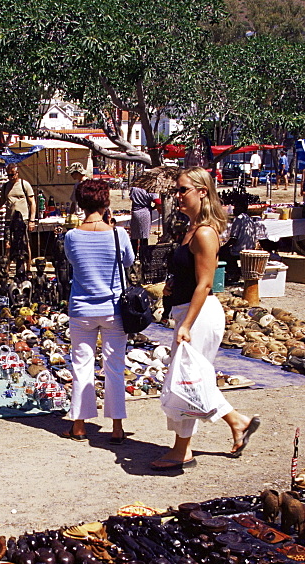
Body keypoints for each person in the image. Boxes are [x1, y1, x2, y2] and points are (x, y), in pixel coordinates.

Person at [151, 167, 260, 470]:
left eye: (182, 190)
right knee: (190, 379)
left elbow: (206, 283)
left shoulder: (204, 232)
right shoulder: (192, 228)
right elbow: (191, 276)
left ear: (201, 191)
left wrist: (185, 324)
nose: (177, 196)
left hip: (198, 314)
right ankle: (237, 422)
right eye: (177, 190)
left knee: (186, 381)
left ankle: (182, 450)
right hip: (188, 311)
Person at [63, 177, 134, 443]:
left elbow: (73, 263)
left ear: (81, 203)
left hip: (81, 309)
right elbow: (128, 261)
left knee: (81, 365)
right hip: (113, 308)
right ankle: (116, 427)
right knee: (114, 366)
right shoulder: (118, 234)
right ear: (106, 202)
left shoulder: (72, 236)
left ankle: (79, 425)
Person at [0, 164, 36, 231]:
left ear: (17, 173)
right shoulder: (5, 186)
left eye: (12, 175)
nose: (11, 177)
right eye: (8, 175)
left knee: (22, 240)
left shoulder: (24, 184)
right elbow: (1, 202)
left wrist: (32, 220)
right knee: (8, 240)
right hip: (9, 219)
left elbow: (32, 203)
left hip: (23, 219)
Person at [129, 185, 159, 254]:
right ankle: (143, 256)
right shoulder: (149, 191)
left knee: (134, 236)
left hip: (135, 213)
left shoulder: (134, 189)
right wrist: (153, 207)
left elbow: (131, 197)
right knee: (144, 237)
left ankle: (133, 255)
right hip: (145, 213)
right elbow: (157, 201)